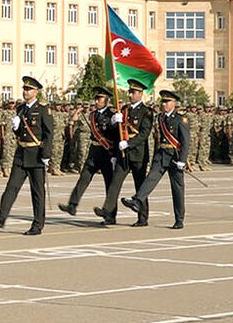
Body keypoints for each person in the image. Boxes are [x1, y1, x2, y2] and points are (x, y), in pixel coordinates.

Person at [0, 76, 53, 235]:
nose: (25, 91)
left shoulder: (43, 108)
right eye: (24, 89)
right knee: (11, 187)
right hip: (22, 153)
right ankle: (1, 217)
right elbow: (20, 132)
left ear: (36, 91)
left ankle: (37, 225)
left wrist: (46, 155)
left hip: (36, 155)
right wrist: (15, 127)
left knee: (37, 193)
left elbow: (49, 134)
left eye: (28, 89)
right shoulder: (21, 109)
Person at [122, 89, 191, 230]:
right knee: (150, 180)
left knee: (177, 189)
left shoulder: (181, 119)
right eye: (163, 102)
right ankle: (137, 200)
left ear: (174, 103)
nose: (164, 104)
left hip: (174, 157)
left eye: (167, 102)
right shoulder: (160, 118)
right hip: (160, 155)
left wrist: (183, 161)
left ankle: (179, 219)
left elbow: (185, 141)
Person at [94, 79, 154, 226]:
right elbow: (117, 133)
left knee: (139, 185)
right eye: (130, 92)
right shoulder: (124, 110)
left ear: (141, 94)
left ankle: (142, 217)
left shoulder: (146, 111)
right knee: (115, 182)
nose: (131, 95)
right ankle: (107, 210)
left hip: (138, 152)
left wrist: (129, 143)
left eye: (134, 92)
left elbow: (145, 133)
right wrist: (114, 122)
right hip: (122, 153)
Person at [58, 86, 121, 218]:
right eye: (96, 98)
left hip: (107, 153)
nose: (97, 101)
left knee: (109, 185)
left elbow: (116, 136)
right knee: (83, 178)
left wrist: (115, 155)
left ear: (106, 100)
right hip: (94, 151)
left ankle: (110, 214)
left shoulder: (112, 115)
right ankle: (72, 205)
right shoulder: (93, 115)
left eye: (100, 98)